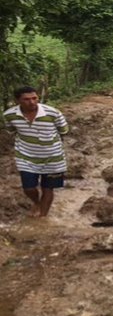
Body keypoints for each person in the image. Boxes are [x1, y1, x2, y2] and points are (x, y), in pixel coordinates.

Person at [2, 86, 70, 218]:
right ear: (17, 101)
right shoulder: (9, 115)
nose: (32, 102)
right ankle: (37, 202)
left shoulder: (52, 113)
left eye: (34, 98)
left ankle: (43, 217)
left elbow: (64, 130)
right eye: (26, 99)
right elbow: (11, 130)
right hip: (26, 156)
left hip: (53, 158)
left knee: (48, 188)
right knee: (28, 188)